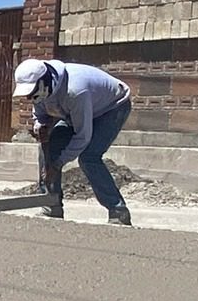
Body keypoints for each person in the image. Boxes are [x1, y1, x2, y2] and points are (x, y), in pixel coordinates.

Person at [13, 58, 134, 226]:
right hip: (74, 112)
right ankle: (51, 206)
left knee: (89, 156)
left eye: (31, 92)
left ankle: (118, 211)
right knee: (49, 150)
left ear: (44, 82)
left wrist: (57, 165)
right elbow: (40, 113)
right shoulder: (42, 91)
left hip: (112, 107)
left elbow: (82, 136)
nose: (28, 96)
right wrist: (40, 125)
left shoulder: (75, 90)